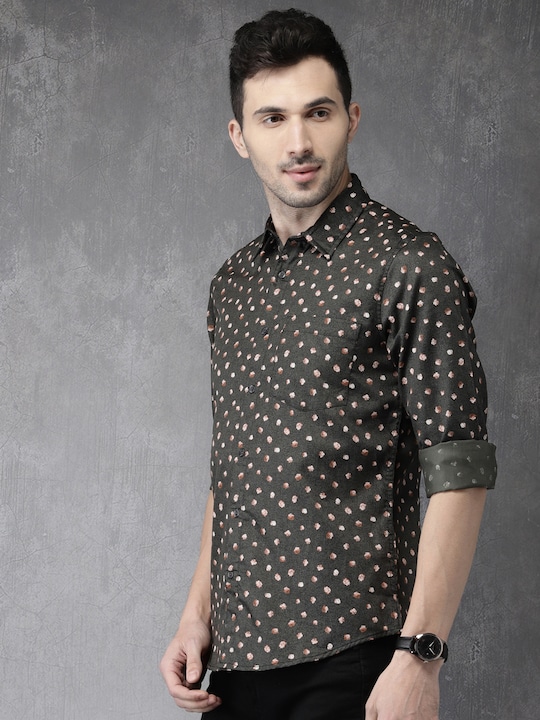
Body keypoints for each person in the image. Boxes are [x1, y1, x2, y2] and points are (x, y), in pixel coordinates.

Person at [160, 9, 497, 719]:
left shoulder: (410, 265)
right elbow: (233, 467)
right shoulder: (233, 285)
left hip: (357, 658)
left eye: (318, 112)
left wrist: (421, 657)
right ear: (239, 136)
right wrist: (197, 614)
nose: (299, 142)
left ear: (352, 118)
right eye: (273, 119)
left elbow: (460, 470)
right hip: (235, 667)